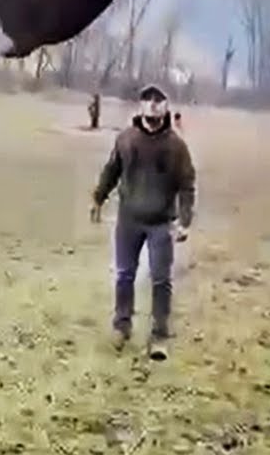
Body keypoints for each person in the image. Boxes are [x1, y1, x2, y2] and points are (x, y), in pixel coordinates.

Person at [90, 83, 196, 360]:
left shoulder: (176, 147)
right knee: (125, 274)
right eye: (147, 99)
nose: (152, 104)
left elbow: (187, 185)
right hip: (129, 221)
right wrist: (98, 198)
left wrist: (185, 221)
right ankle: (121, 327)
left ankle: (159, 335)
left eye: (158, 100)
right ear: (140, 106)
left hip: (161, 222)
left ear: (165, 107)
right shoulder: (126, 139)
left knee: (161, 279)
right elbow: (111, 170)